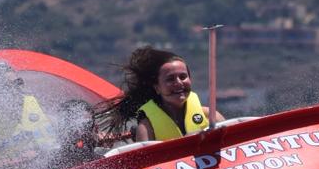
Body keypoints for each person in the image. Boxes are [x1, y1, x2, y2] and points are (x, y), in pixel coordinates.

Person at [95, 46, 224, 142]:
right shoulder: (146, 127)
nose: (179, 83)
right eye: (170, 79)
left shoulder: (211, 116)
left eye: (183, 77)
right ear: (157, 88)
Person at [0, 62, 55, 164]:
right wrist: (19, 159)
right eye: (8, 86)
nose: (16, 88)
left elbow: (60, 130)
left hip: (57, 162)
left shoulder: (34, 100)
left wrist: (39, 152)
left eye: (18, 82)